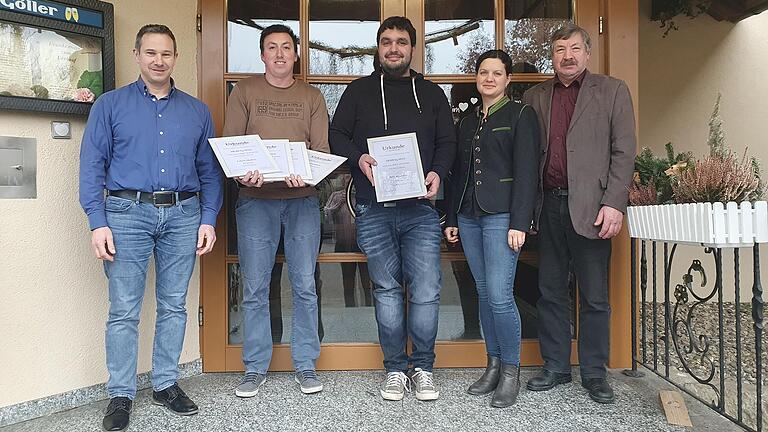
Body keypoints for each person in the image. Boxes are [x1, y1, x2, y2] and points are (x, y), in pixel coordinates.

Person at [79, 24, 223, 432]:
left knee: (174, 304)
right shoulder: (110, 105)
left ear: (175, 58)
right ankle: (121, 393)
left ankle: (164, 384)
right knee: (124, 309)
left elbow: (209, 172)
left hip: (183, 215)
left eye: (166, 54)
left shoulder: (197, 111)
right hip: (127, 213)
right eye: (151, 53)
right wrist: (97, 222)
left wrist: (208, 217)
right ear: (138, 55)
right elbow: (91, 166)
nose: (159, 61)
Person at [329, 16, 456, 402]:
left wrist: (437, 172)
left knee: (428, 290)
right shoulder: (358, 91)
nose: (394, 48)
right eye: (387, 41)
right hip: (374, 207)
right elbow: (337, 134)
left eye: (402, 41)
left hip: (420, 210)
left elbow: (448, 142)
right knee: (385, 290)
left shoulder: (432, 93)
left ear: (413, 48)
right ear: (378, 47)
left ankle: (424, 367)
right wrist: (359, 157)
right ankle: (395, 370)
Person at [522, 23, 636, 404]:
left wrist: (614, 203)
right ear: (551, 56)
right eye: (559, 49)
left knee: (594, 295)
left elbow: (624, 151)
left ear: (587, 53)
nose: (567, 56)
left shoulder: (612, 90)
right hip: (549, 204)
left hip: (593, 208)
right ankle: (555, 366)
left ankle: (593, 372)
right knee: (550, 291)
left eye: (574, 48)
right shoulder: (535, 96)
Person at [222, 24, 330, 398]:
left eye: (287, 47)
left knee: (304, 285)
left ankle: (305, 364)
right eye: (272, 47)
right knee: (254, 287)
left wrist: (309, 174)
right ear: (263, 54)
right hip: (256, 202)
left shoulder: (313, 96)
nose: (280, 53)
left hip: (301, 202)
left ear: (296, 54)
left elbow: (320, 150)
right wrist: (243, 175)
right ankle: (254, 367)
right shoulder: (244, 92)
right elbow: (232, 146)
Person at [443, 49, 539, 408]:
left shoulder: (521, 115)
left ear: (508, 79)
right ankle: (493, 364)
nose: (489, 78)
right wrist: (452, 218)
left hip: (502, 217)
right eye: (484, 72)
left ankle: (511, 372)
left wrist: (520, 222)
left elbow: (528, 173)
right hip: (469, 216)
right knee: (484, 292)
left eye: (497, 73)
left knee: (500, 295)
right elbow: (457, 176)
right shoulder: (467, 122)